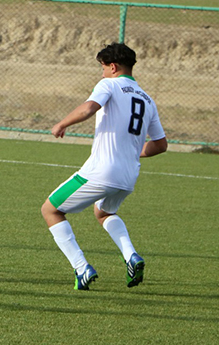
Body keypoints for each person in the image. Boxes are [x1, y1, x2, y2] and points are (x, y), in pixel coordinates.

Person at [42, 43, 167, 290]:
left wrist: (61, 123)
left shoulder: (109, 84)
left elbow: (89, 107)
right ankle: (131, 255)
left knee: (50, 210)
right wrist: (133, 153)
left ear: (113, 66)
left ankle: (81, 268)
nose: (101, 73)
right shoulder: (147, 99)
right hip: (129, 175)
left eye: (102, 67)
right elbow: (161, 145)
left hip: (101, 171)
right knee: (104, 212)